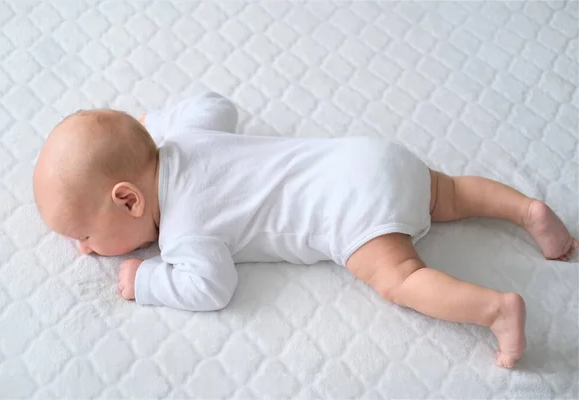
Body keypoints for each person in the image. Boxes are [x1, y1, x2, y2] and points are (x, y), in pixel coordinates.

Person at [33, 92, 578, 368]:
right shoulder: (182, 135)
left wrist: (143, 280)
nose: (83, 248)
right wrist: (156, 123)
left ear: (128, 200)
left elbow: (210, 287)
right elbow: (218, 105)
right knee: (452, 193)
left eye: (83, 233)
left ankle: (495, 311)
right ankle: (528, 211)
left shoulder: (183, 232)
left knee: (401, 278)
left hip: (350, 214)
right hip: (370, 156)